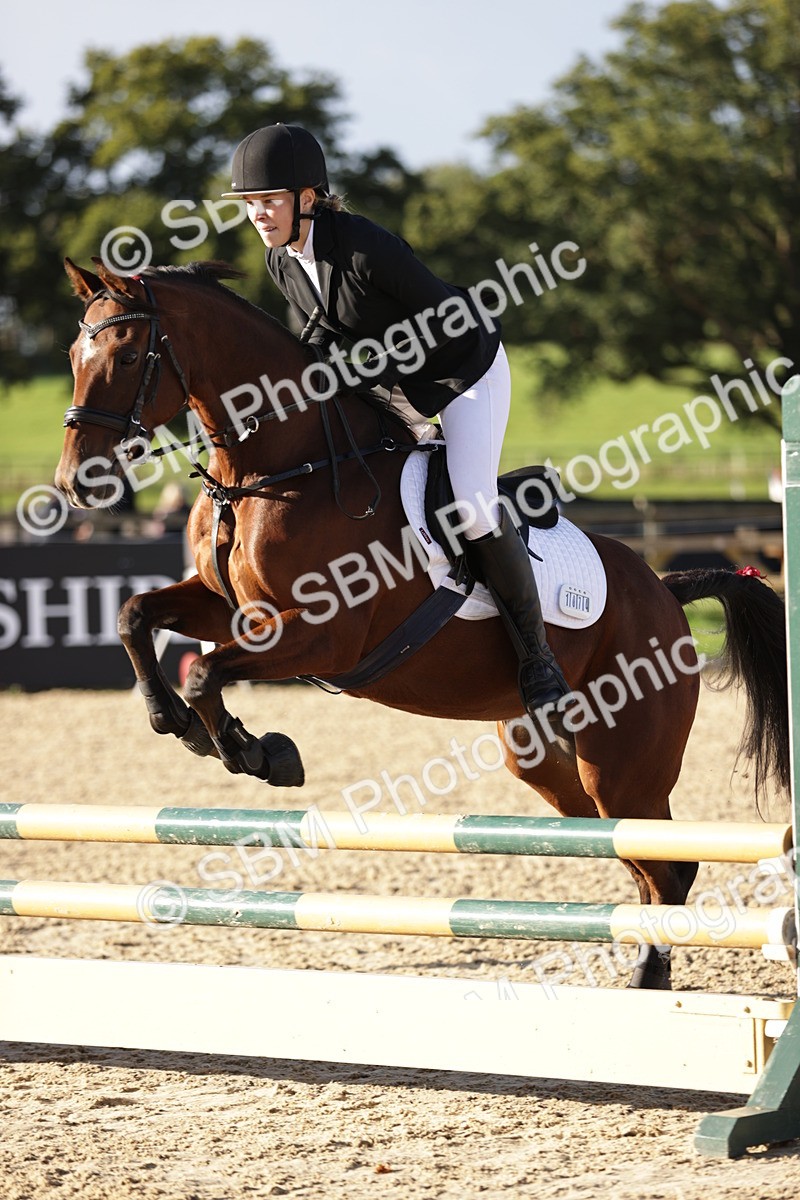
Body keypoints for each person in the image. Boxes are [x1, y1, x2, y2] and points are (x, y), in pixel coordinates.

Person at [223, 123, 573, 754]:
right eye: (250, 205)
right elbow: (316, 341)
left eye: (268, 201)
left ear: (308, 196)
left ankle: (538, 661)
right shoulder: (281, 260)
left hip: (460, 374)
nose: (258, 216)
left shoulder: (363, 248)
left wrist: (372, 378)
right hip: (387, 384)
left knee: (468, 501)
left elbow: (445, 322)